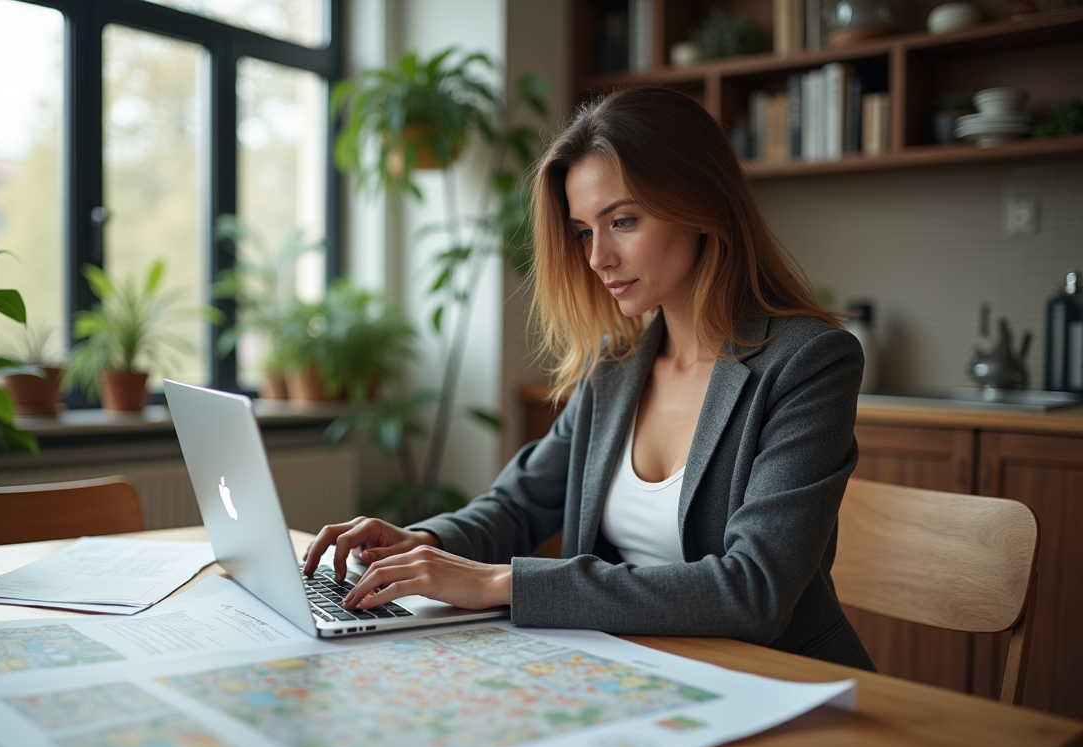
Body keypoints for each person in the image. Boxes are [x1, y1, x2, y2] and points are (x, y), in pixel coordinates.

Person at [303, 85, 874, 670]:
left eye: (622, 220)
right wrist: (424, 545)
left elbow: (753, 590)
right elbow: (518, 504)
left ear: (702, 205)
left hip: (779, 680)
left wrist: (503, 583)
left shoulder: (810, 363)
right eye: (583, 231)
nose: (598, 256)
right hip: (638, 670)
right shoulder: (615, 366)